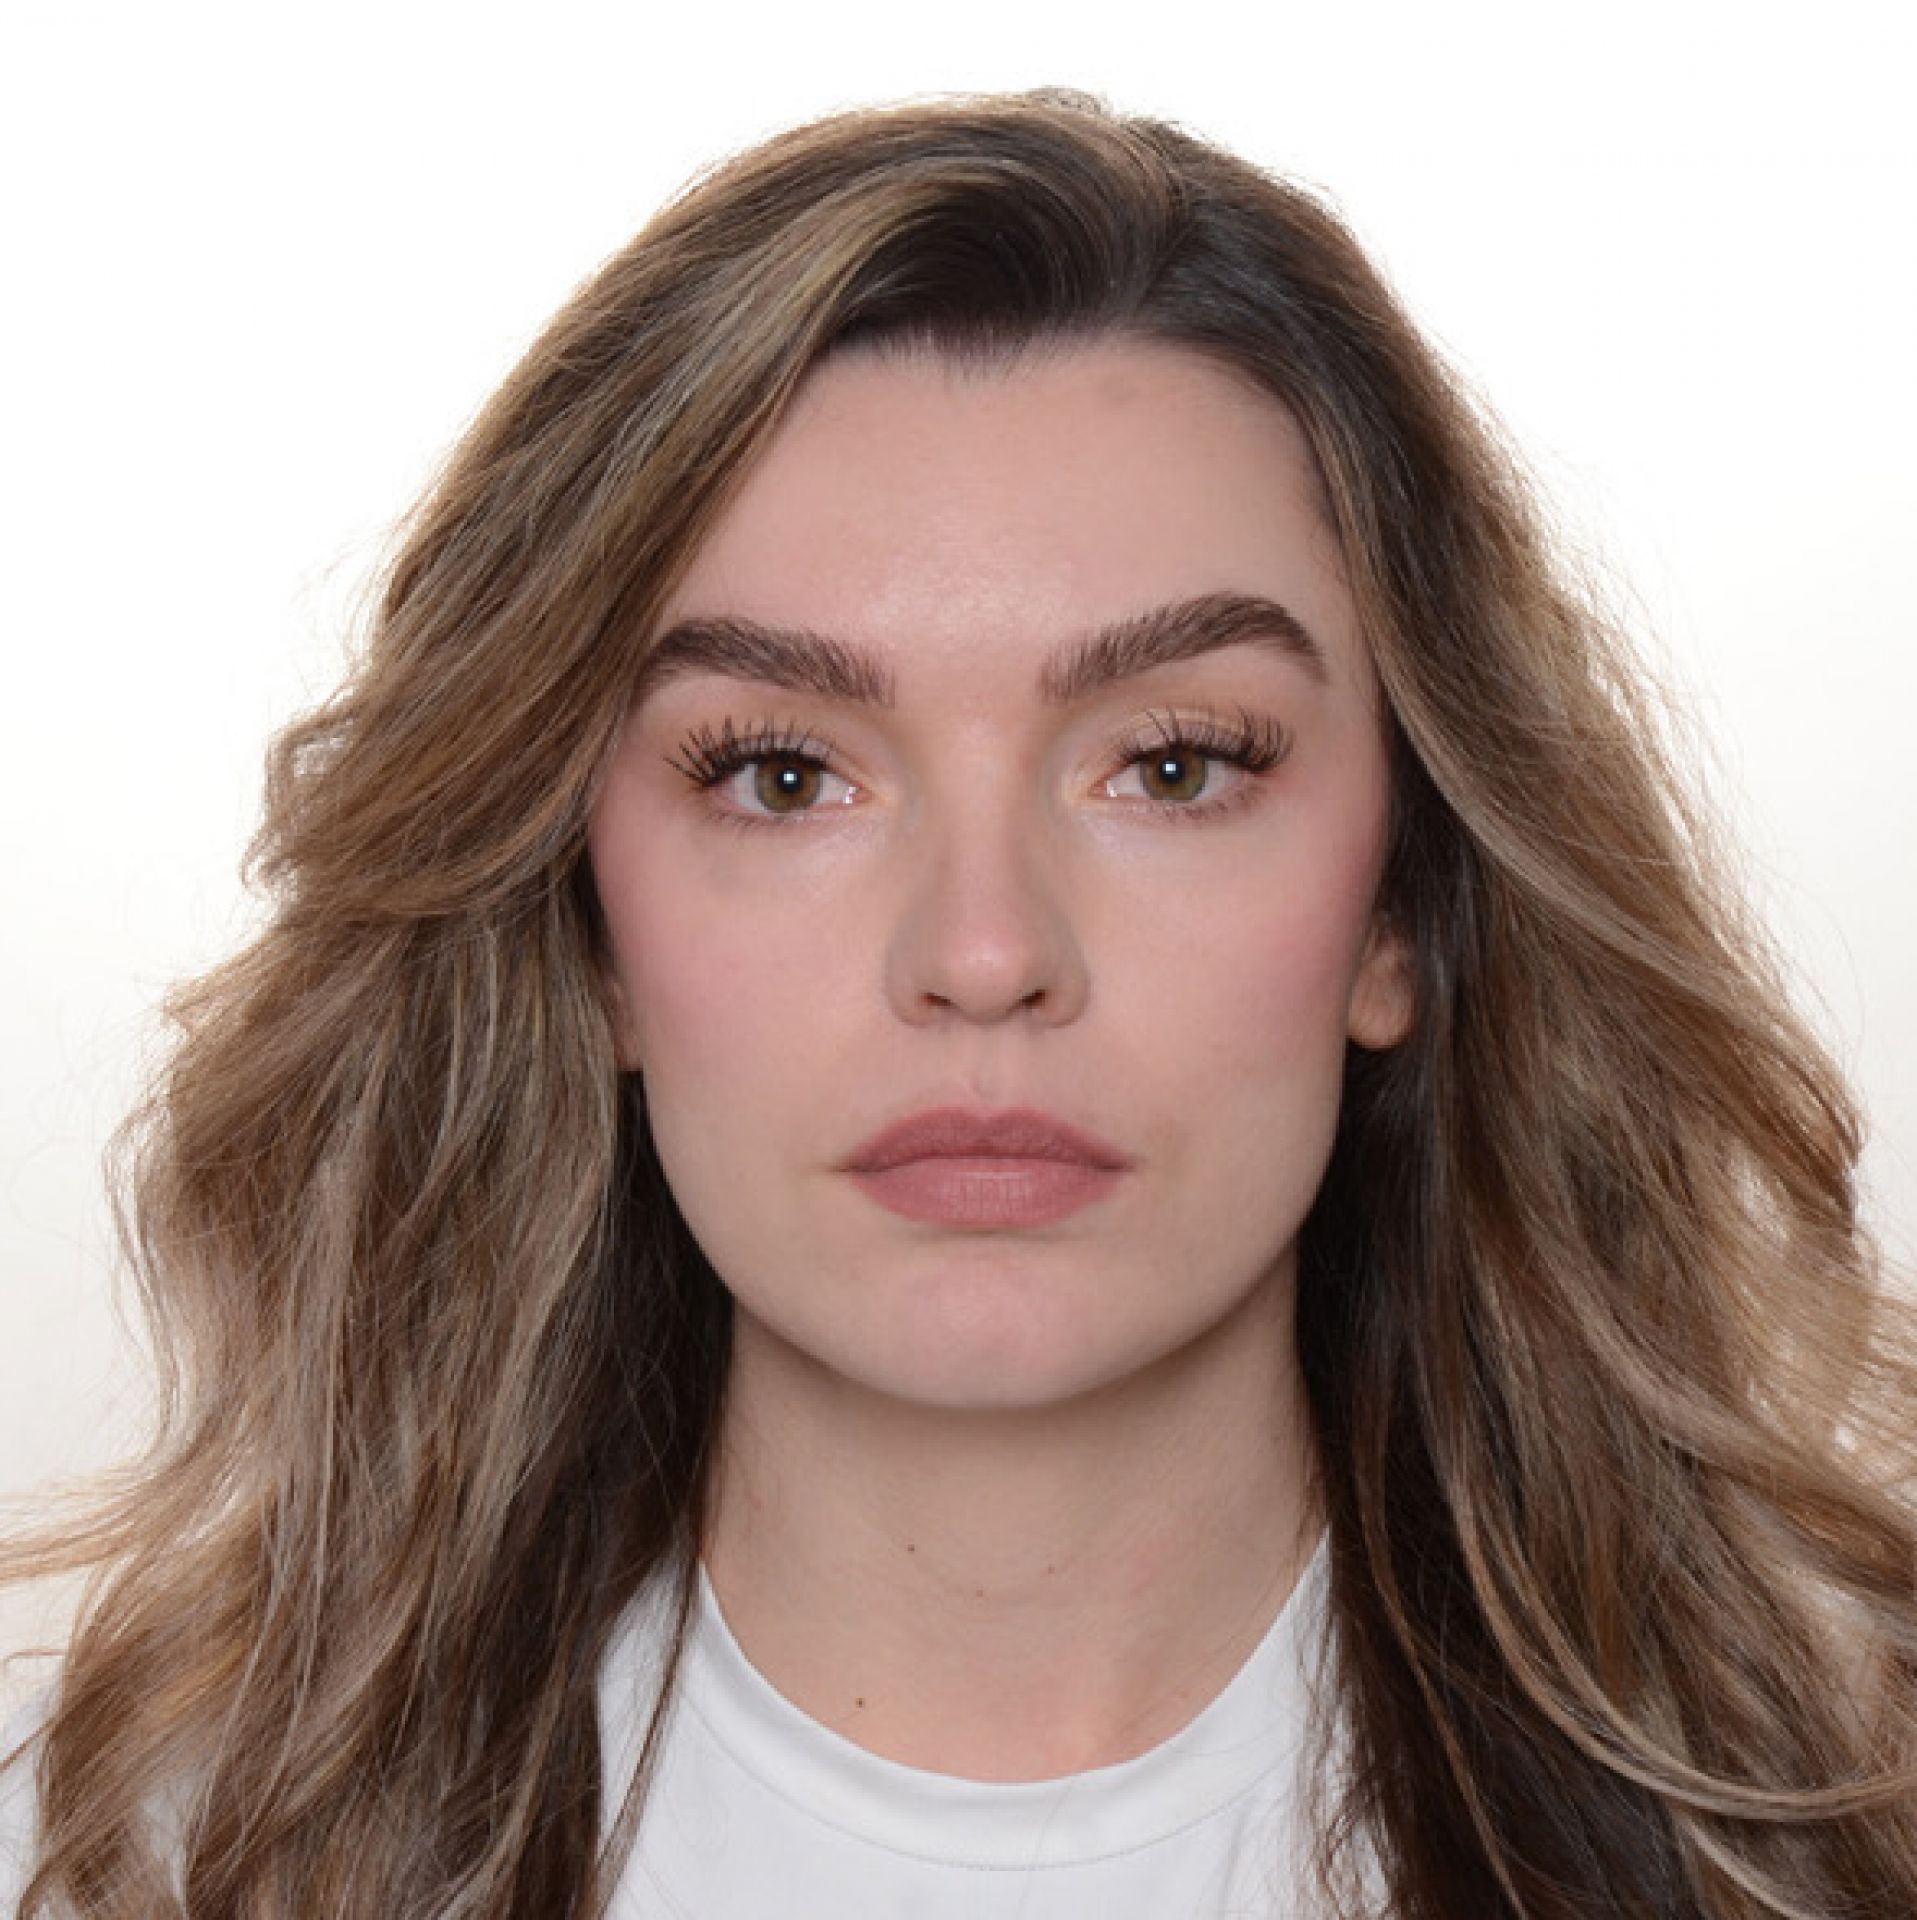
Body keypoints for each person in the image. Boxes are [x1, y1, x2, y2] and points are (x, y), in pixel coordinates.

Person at [2, 86, 1913, 1919]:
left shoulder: (1860, 1818)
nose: (986, 954)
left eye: (1172, 765)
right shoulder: (105, 1859)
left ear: (1403, 905)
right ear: (579, 930)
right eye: (779, 774)